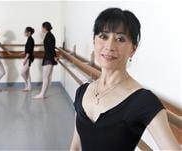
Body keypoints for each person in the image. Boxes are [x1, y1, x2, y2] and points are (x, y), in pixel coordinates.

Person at [70, 8, 181, 151]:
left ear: (133, 49)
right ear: (94, 40)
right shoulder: (82, 91)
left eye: (120, 39)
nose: (109, 47)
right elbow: (76, 146)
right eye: (103, 36)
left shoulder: (143, 101)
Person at [33, 22, 58, 99]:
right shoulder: (49, 35)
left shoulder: (49, 36)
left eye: (42, 28)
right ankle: (43, 93)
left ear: (45, 28)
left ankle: (42, 94)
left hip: (49, 58)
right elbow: (51, 48)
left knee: (45, 77)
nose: (41, 29)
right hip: (49, 58)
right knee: (46, 77)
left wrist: (54, 56)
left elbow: (51, 48)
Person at [20, 27, 35, 91]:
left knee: (22, 73)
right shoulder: (29, 39)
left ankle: (27, 84)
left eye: (25, 32)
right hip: (29, 57)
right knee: (27, 73)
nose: (24, 33)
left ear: (29, 33)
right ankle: (29, 87)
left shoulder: (30, 40)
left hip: (28, 58)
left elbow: (28, 52)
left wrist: (25, 60)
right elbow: (28, 50)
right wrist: (23, 52)